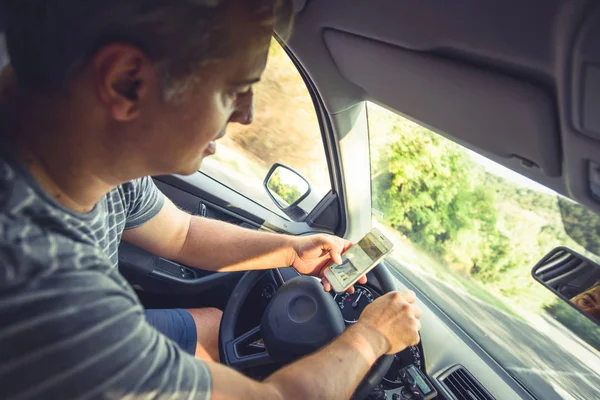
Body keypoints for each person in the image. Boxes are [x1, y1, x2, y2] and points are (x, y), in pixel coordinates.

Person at [0, 1, 422, 399]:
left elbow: (182, 234)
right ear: (126, 82)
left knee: (214, 328)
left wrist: (290, 250)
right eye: (234, 88)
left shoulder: (85, 157)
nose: (247, 114)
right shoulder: (44, 288)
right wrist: (372, 337)